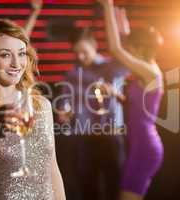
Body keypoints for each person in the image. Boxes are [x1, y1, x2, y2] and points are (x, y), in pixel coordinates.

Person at [0, 19, 66, 200]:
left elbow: (53, 168)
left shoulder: (42, 105)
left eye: (21, 54)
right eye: (5, 55)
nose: (16, 63)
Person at [99, 0, 164, 199]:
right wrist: (116, 95)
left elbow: (115, 49)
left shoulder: (150, 72)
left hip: (145, 147)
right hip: (140, 145)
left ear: (141, 48)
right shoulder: (147, 70)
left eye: (131, 48)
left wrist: (107, 7)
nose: (128, 52)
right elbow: (138, 107)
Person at [55, 26, 128, 200]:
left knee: (115, 186)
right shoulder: (72, 74)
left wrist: (115, 94)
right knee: (87, 187)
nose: (80, 57)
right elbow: (65, 101)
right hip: (84, 137)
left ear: (94, 44)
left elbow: (127, 100)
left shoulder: (113, 68)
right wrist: (63, 112)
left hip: (111, 136)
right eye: (76, 53)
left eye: (84, 52)